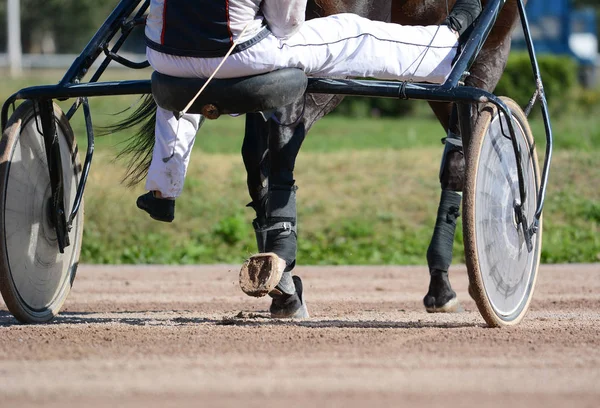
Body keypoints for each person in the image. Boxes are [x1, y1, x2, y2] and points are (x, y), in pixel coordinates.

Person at [136, 0, 482, 318]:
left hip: (165, 60)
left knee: (185, 85)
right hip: (242, 55)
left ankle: (163, 188)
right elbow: (287, 24)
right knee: (355, 31)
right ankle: (448, 43)